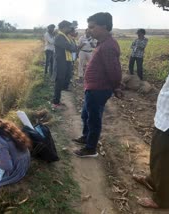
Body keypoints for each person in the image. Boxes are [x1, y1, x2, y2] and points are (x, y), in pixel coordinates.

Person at [72, 12, 123, 158]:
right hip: (92, 88)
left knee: (94, 118)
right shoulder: (102, 44)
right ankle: (86, 137)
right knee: (86, 115)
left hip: (99, 89)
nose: (89, 30)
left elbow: (114, 70)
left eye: (92, 27)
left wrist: (117, 86)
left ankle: (91, 148)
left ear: (104, 27)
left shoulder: (108, 46)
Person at [132, 62, 169, 209]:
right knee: (158, 156)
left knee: (166, 163)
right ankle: (152, 180)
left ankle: (163, 200)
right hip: (166, 120)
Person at [52, 20, 77, 109]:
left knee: (66, 78)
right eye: (68, 27)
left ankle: (58, 100)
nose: (70, 29)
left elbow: (73, 47)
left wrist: (73, 46)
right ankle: (55, 102)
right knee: (59, 81)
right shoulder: (59, 37)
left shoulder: (65, 36)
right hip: (61, 62)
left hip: (66, 60)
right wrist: (73, 47)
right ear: (63, 28)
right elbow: (71, 47)